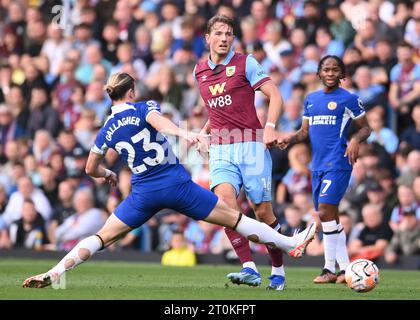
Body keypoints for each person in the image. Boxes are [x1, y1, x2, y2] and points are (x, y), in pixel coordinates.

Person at [22, 72, 316, 289]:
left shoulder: (106, 130)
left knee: (102, 237)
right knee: (235, 219)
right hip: (176, 185)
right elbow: (157, 122)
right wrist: (185, 133)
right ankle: (290, 243)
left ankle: (56, 271)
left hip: (143, 194)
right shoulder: (143, 107)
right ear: (131, 92)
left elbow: (89, 168)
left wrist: (108, 174)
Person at [194, 15, 287, 290]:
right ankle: (249, 268)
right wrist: (202, 132)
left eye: (229, 34)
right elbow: (217, 111)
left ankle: (278, 270)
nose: (224, 38)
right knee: (223, 206)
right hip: (222, 147)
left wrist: (269, 127)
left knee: (263, 214)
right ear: (207, 38)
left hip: (251, 145)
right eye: (219, 33)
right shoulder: (199, 70)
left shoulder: (246, 62)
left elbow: (276, 95)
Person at [278, 55, 372, 284]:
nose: (330, 73)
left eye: (335, 70)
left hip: (338, 163)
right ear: (319, 73)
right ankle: (345, 270)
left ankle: (329, 268)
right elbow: (303, 133)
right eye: (326, 70)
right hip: (317, 166)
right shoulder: (311, 100)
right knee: (331, 217)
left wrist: (354, 140)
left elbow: (366, 128)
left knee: (324, 212)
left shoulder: (349, 99)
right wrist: (289, 139)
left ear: (342, 74)